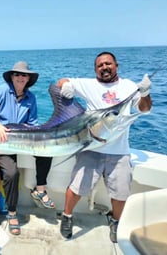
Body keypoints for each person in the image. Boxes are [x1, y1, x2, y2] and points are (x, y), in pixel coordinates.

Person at [57, 51, 152, 242]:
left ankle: (115, 221)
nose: (104, 67)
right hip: (91, 147)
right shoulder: (88, 84)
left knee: (121, 192)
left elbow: (145, 109)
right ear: (95, 69)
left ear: (116, 65)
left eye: (108, 64)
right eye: (100, 65)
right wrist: (65, 85)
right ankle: (67, 216)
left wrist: (145, 93)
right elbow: (61, 80)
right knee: (76, 188)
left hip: (119, 151)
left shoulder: (129, 86)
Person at [0, 61, 55, 235]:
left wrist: (35, 135)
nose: (20, 77)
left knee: (45, 151)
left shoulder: (31, 98)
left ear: (28, 79)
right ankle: (11, 213)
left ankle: (40, 190)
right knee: (11, 173)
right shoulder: (2, 90)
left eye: (24, 75)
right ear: (12, 76)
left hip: (17, 141)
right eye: (17, 74)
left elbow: (32, 123)